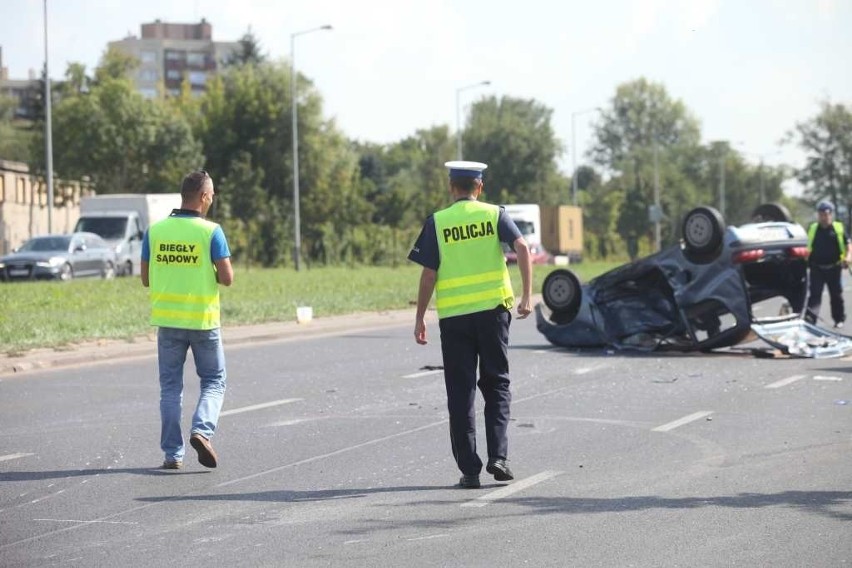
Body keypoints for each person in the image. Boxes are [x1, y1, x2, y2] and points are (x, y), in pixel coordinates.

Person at [409, 160, 532, 489]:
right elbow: (521, 246)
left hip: (454, 319)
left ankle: (470, 470)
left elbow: (429, 273)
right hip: (493, 313)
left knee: (460, 394)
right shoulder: (495, 215)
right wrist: (527, 296)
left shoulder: (438, 221)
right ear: (480, 187)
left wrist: (420, 316)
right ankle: (499, 458)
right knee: (497, 385)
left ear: (452, 188)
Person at [141, 170, 234, 469]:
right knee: (214, 381)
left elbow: (145, 279)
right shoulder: (211, 232)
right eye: (212, 194)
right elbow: (227, 278)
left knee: (170, 388)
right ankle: (202, 431)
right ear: (204, 197)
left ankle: (172, 454)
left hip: (168, 323)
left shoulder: (154, 232)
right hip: (203, 322)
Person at [805, 200, 852, 328]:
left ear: (831, 214)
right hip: (816, 268)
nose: (824, 217)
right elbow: (806, 247)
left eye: (826, 214)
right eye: (821, 214)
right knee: (814, 295)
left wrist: (848, 257)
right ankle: (810, 321)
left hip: (834, 268)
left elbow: (848, 245)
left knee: (836, 295)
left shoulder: (838, 228)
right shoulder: (813, 228)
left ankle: (839, 319)